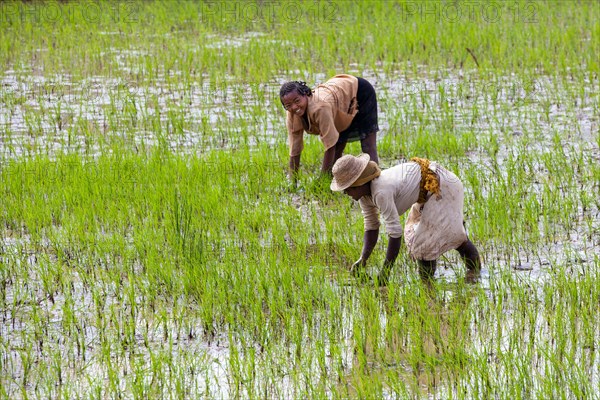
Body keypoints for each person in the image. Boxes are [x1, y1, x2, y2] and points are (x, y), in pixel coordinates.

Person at [330, 153, 481, 284]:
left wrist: (385, 272)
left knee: (426, 245)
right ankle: (439, 284)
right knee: (419, 239)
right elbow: (371, 226)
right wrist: (363, 259)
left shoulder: (381, 192)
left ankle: (467, 279)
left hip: (440, 185)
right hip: (426, 190)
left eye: (347, 188)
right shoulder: (364, 196)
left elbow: (395, 234)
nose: (345, 193)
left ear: (359, 184)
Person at [280, 74, 380, 178]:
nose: (294, 107)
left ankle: (377, 179)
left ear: (306, 94)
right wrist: (293, 180)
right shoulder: (292, 114)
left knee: (367, 146)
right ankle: (338, 182)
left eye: (297, 101)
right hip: (338, 102)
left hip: (359, 91)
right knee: (337, 150)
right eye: (288, 105)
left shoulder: (320, 108)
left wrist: (322, 180)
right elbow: (294, 148)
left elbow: (329, 145)